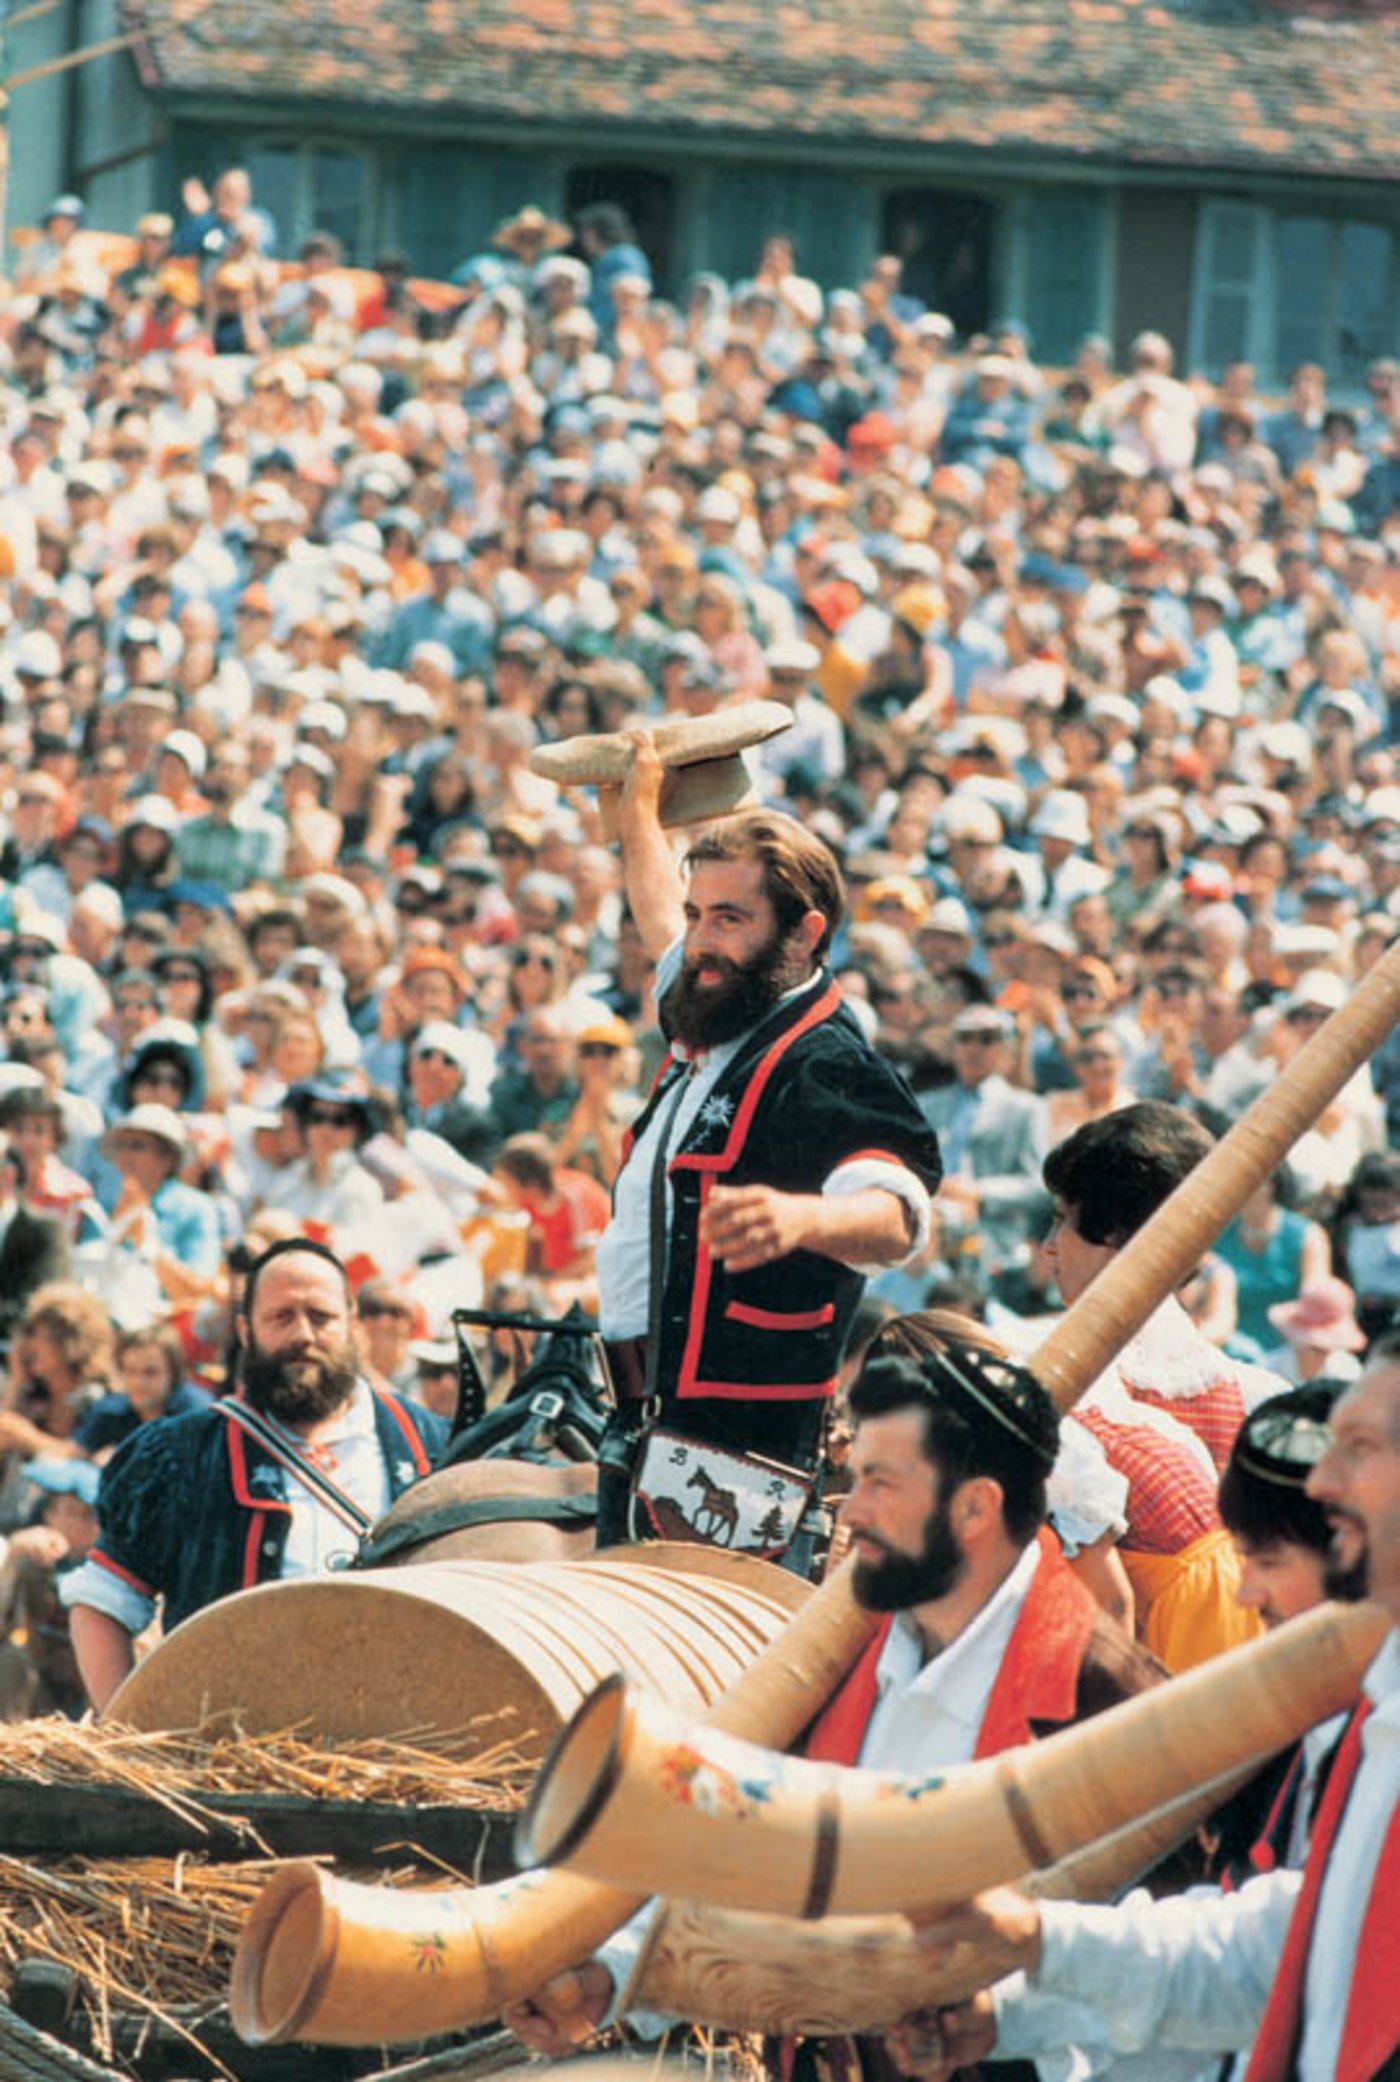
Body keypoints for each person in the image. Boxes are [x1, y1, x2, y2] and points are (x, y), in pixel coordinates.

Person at [503, 1315, 1165, 2059]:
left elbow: (1176, 1969)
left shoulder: (1106, 1694)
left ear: (975, 1508)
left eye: (882, 1486)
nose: (849, 1513)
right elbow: (746, 1839)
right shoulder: (843, 1649)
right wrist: (611, 1973)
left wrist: (1002, 2015)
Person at [889, 1342, 1400, 2082]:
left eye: (1361, 1447)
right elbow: (1283, 1956)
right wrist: (1020, 1997)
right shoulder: (1356, 1724)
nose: (1326, 1480)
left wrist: (1037, 1949)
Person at [592, 735, 943, 1550]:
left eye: (729, 918)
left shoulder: (826, 1062)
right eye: (698, 915)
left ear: (804, 932)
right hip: (642, 1419)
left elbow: (898, 1216)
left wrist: (802, 1219)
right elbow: (658, 910)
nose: (700, 941)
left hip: (740, 1448)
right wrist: (641, 814)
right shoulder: (721, 997)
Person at [64, 1237, 448, 1710]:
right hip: (228, 1745)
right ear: (245, 1331)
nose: (303, 1335)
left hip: (398, 1737)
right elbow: (101, 1603)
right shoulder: (182, 1453)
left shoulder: (430, 1445)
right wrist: (126, 1729)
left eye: (321, 1317)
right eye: (281, 1317)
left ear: (352, 1323)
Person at [1043, 1104, 1287, 1670]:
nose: (1048, 1245)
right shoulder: (1257, 1395)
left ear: (1116, 1236)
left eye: (1061, 1221)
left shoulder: (1073, 1392)